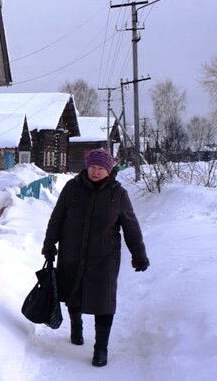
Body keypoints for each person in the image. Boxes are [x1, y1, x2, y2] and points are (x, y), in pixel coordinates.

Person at [41, 148, 149, 367]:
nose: (96, 172)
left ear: (109, 170)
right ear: (87, 167)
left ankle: (101, 348)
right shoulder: (72, 188)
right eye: (93, 167)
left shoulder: (118, 194)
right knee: (73, 291)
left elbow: (131, 226)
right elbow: (57, 218)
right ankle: (76, 325)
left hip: (104, 258)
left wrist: (139, 255)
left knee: (104, 301)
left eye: (101, 168)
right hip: (72, 251)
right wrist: (49, 244)